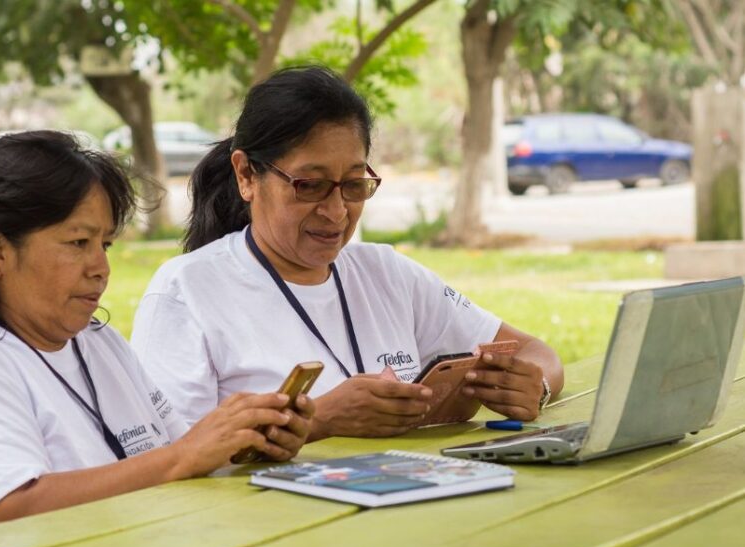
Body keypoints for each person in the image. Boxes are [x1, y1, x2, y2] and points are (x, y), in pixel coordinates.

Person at [0, 131, 314, 544]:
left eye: (106, 244)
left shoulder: (100, 343)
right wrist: (182, 457)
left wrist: (247, 443)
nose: (100, 268)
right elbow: (9, 511)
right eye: (78, 242)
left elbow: (180, 449)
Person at [131, 66, 563, 441]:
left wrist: (534, 385)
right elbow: (173, 457)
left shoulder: (387, 274)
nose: (336, 211)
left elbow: (536, 353)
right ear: (246, 175)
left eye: (354, 185)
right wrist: (320, 420)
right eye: (310, 185)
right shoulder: (186, 292)